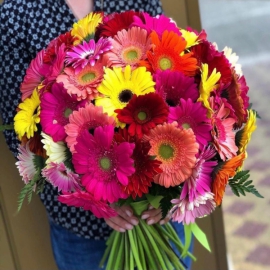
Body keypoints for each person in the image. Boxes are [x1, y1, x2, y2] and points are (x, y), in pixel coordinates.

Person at [0, 1, 192, 269]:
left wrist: (170, 192)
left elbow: (173, 65)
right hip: (83, 230)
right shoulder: (16, 15)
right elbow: (22, 133)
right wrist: (96, 199)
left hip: (157, 207)